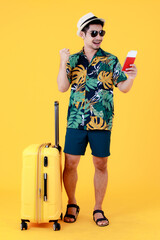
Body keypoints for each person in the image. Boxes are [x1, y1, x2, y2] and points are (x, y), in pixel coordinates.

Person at [57, 12, 137, 227]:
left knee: (100, 164)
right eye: (94, 32)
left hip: (101, 121)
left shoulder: (110, 60)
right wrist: (63, 61)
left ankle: (98, 207)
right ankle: (72, 203)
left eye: (101, 32)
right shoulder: (73, 59)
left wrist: (130, 77)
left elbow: (123, 88)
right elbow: (62, 87)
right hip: (76, 120)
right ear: (82, 34)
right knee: (70, 163)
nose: (99, 36)